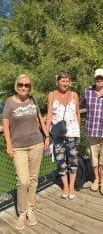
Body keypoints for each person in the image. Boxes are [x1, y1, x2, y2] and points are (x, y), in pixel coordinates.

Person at [2, 74, 50, 230]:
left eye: (27, 85)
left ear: (30, 87)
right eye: (21, 84)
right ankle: (22, 212)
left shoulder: (33, 99)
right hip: (18, 147)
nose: (24, 87)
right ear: (17, 85)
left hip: (36, 143)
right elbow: (6, 125)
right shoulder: (9, 102)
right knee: (23, 181)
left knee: (33, 178)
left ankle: (30, 209)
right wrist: (8, 145)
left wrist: (46, 135)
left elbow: (39, 119)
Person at [45, 71, 81, 199]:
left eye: (67, 81)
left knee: (73, 160)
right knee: (60, 161)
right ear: (58, 81)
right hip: (58, 134)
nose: (65, 83)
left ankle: (71, 186)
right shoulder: (51, 95)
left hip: (73, 133)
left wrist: (78, 131)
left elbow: (77, 113)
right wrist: (46, 133)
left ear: (69, 82)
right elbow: (49, 114)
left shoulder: (74, 95)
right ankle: (65, 186)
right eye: (62, 81)